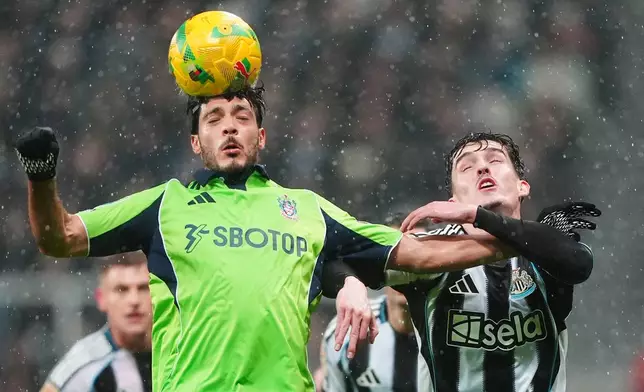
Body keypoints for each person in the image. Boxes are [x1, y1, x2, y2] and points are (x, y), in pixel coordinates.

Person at [15, 86, 521, 391]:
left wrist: (509, 238)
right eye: (214, 120)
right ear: (196, 142)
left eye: (243, 119)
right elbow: (59, 237)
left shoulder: (308, 209)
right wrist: (42, 178)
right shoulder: (164, 203)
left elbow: (414, 251)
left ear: (262, 136)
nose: (230, 129)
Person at [381, 132, 599, 392]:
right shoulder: (430, 252)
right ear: (453, 202)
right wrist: (352, 285)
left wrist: (477, 216)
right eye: (467, 166)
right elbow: (347, 256)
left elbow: (579, 264)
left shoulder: (543, 252)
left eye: (495, 160)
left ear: (523, 186)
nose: (482, 167)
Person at [317, 214, 432, 392]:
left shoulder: (454, 326)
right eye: (399, 258)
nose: (407, 269)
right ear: (379, 265)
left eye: (417, 258)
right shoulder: (348, 331)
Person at [40, 253, 152, 392]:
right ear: (101, 298)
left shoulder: (180, 351)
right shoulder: (82, 367)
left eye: (143, 288)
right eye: (121, 290)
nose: (134, 300)